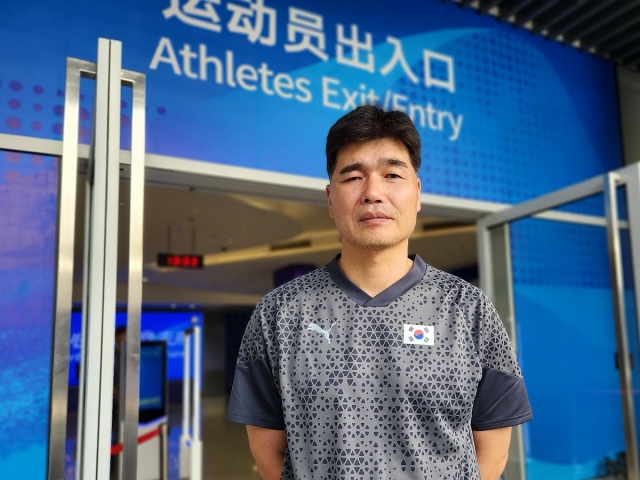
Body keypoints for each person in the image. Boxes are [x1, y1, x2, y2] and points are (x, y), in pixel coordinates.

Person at [227, 105, 532, 480]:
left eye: (391, 174)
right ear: (329, 198)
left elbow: (493, 451)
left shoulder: (469, 309)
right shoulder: (280, 313)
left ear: (417, 193)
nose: (373, 193)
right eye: (353, 177)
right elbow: (267, 449)